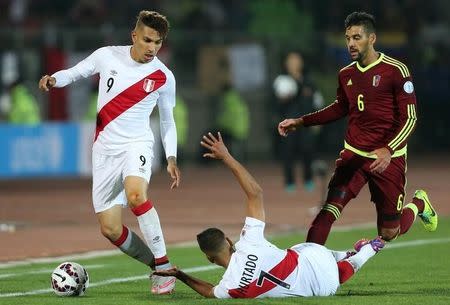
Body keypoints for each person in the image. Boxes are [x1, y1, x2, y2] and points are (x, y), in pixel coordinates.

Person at [38, 10, 180, 295]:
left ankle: (164, 269)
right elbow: (77, 72)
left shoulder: (164, 77)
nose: (152, 48)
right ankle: (157, 263)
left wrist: (171, 157)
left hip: (136, 144)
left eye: (158, 42)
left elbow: (167, 121)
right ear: (134, 36)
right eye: (148, 40)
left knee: (136, 194)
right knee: (111, 229)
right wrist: (54, 79)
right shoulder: (107, 55)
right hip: (104, 151)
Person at [153, 132, 385, 298]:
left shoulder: (230, 288)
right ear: (229, 241)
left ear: (209, 259)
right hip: (314, 256)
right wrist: (227, 157)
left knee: (325, 272)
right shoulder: (249, 241)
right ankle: (356, 252)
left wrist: (182, 276)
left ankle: (361, 254)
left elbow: (209, 292)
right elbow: (255, 193)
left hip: (325, 287)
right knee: (299, 251)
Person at [277, 12, 438, 245]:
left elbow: (410, 118)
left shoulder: (396, 71)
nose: (351, 43)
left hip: (388, 159)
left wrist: (389, 149)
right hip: (354, 154)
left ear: (372, 38)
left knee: (389, 232)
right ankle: (305, 267)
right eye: (348, 38)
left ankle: (419, 203)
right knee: (329, 209)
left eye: (357, 37)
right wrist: (301, 121)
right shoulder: (346, 74)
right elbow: (340, 108)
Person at [273, 51, 324, 192]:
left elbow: (317, 101)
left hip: (305, 123)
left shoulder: (309, 81)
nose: (294, 63)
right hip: (288, 124)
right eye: (291, 61)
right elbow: (280, 100)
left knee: (308, 150)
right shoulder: (282, 80)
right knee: (288, 152)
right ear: (286, 64)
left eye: (296, 60)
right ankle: (289, 182)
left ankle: (308, 179)